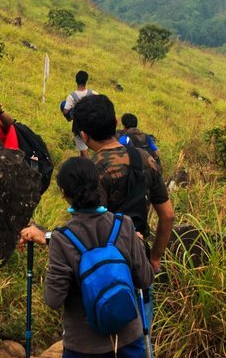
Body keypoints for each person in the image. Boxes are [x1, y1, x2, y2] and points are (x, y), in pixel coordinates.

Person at [20, 158, 152, 358]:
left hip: (85, 339)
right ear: (97, 183)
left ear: (65, 195)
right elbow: (145, 278)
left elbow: (53, 299)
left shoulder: (62, 239)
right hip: (126, 330)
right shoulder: (124, 225)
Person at [71, 94, 174, 274]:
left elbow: (87, 231)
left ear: (84, 136)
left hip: (106, 266)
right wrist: (155, 258)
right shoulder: (145, 158)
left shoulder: (91, 171)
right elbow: (168, 215)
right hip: (141, 257)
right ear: (116, 122)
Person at [61, 71, 95, 156]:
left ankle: (89, 167)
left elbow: (65, 110)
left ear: (76, 81)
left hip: (78, 126)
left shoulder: (72, 96)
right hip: (91, 123)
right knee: (84, 149)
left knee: (83, 149)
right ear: (86, 81)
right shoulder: (92, 93)